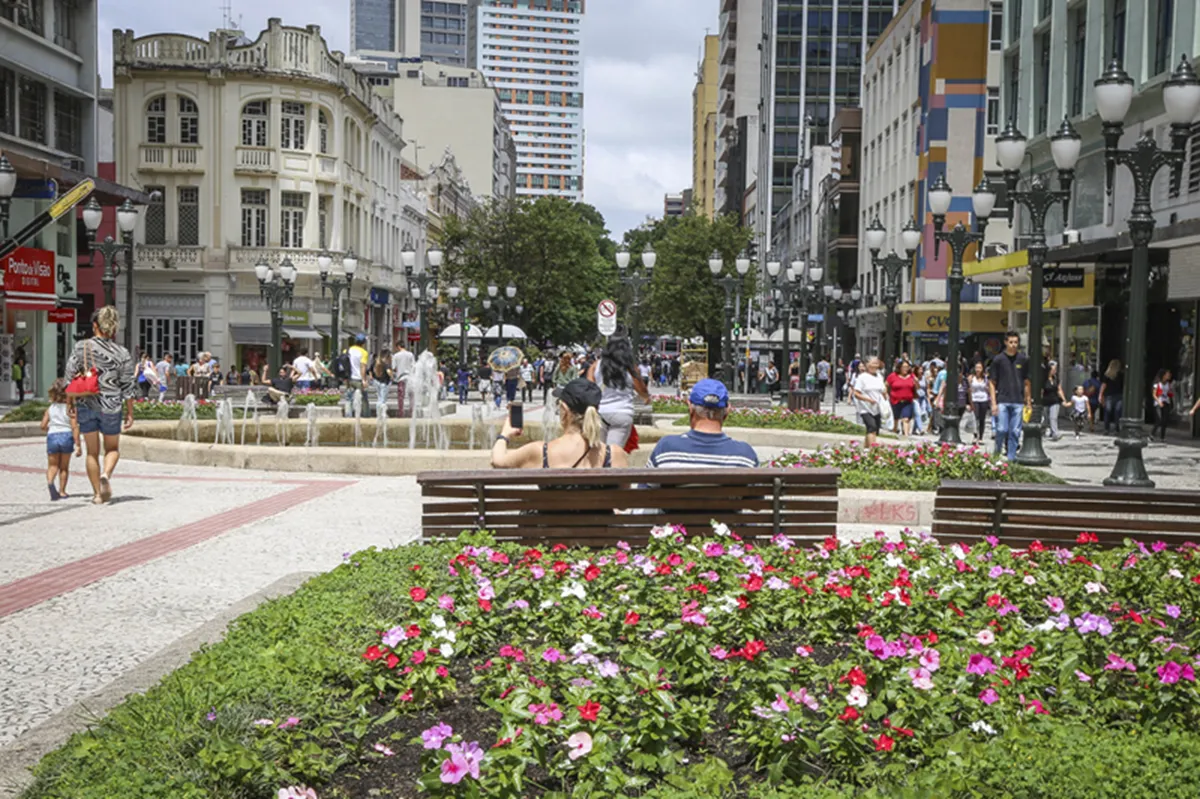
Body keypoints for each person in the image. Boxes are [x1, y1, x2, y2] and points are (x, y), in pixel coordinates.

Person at [65, 306, 135, 505]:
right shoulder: (122, 352)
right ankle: (106, 474)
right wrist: (130, 412)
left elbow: (69, 376)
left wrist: (70, 402)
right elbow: (128, 386)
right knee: (112, 448)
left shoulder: (81, 347)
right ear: (114, 328)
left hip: (87, 403)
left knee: (92, 452)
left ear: (95, 325)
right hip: (111, 405)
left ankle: (97, 494)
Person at [491, 377, 628, 470]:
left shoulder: (539, 452)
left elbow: (497, 461)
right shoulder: (614, 455)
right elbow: (622, 499)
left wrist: (504, 435)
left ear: (564, 410)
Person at [647, 378, 758, 468]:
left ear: (690, 408)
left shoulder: (665, 449)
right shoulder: (745, 456)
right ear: (727, 410)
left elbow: (646, 487)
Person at [587, 332, 650, 448]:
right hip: (622, 412)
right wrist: (646, 398)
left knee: (599, 452)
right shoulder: (630, 368)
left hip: (600, 413)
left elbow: (589, 388)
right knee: (613, 452)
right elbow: (642, 390)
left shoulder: (595, 366)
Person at [988, 331, 1031, 461]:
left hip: (1018, 401)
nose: (1013, 345)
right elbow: (992, 382)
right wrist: (993, 403)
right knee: (1002, 429)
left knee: (1015, 432)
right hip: (1003, 400)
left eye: (1016, 342)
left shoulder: (1023, 359)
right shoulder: (998, 360)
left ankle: (1011, 458)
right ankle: (997, 453)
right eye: (1011, 342)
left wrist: (1028, 401)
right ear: (1006, 342)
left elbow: (1027, 382)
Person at [40, 379, 79, 501]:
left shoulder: (50, 408)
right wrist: (78, 444)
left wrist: (50, 430)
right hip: (66, 435)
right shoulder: (70, 409)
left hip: (52, 435)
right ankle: (62, 491)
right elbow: (74, 427)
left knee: (52, 465)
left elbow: (43, 426)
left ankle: (50, 482)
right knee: (64, 467)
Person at [851, 357, 888, 446]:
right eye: (873, 363)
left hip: (877, 408)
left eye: (876, 363)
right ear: (867, 365)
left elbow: (883, 390)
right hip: (865, 408)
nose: (875, 366)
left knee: (873, 430)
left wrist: (884, 397)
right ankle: (873, 450)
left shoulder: (879, 376)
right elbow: (856, 393)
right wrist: (868, 399)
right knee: (872, 427)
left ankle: (866, 449)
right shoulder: (862, 377)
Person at [886, 360, 918, 437]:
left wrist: (916, 383)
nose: (906, 369)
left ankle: (906, 435)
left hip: (908, 401)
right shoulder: (893, 376)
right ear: (899, 367)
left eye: (907, 367)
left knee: (906, 419)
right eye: (904, 367)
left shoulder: (912, 376)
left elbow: (917, 388)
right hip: (895, 401)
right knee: (895, 418)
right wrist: (886, 394)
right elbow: (886, 385)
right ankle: (894, 432)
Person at [345, 334, 370, 418]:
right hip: (358, 379)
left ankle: (348, 416)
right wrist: (364, 380)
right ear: (363, 343)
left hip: (349, 378)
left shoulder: (348, 350)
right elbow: (363, 367)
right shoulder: (363, 352)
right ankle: (366, 416)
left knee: (349, 398)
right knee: (364, 398)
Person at [1041, 361, 1067, 441]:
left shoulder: (1056, 378)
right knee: (1045, 419)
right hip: (1045, 401)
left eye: (1055, 369)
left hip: (1055, 400)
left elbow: (1059, 389)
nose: (1055, 371)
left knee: (1053, 418)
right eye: (1053, 369)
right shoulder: (1043, 379)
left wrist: (1064, 400)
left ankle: (1055, 433)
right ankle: (1043, 432)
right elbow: (1041, 391)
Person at [968, 361, 991, 445]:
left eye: (980, 368)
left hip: (984, 399)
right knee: (975, 418)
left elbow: (989, 389)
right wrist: (970, 402)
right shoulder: (971, 378)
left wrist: (988, 388)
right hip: (975, 399)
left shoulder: (986, 378)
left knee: (982, 419)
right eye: (976, 367)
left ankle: (981, 437)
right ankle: (975, 436)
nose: (978, 369)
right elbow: (969, 390)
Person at [1098, 359, 1124, 435]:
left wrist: (1100, 395)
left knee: (1107, 412)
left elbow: (1104, 385)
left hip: (1109, 395)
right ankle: (1117, 429)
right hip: (1119, 395)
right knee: (1117, 412)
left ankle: (1106, 429)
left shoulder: (1107, 375)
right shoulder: (1121, 374)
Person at [391, 343, 415, 417]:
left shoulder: (396, 355)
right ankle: (412, 412)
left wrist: (399, 369)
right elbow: (413, 366)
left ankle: (401, 413)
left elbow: (393, 368)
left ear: (398, 346)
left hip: (400, 378)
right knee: (411, 395)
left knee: (401, 396)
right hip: (410, 377)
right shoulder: (410, 354)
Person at [1152, 369, 1174, 442]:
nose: (1168, 376)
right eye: (1167, 374)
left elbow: (1170, 394)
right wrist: (1159, 402)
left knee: (1165, 420)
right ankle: (1152, 434)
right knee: (1159, 419)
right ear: (1163, 375)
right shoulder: (1157, 384)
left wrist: (1171, 401)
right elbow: (1154, 395)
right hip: (1158, 403)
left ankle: (1162, 437)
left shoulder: (1168, 384)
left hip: (1166, 402)